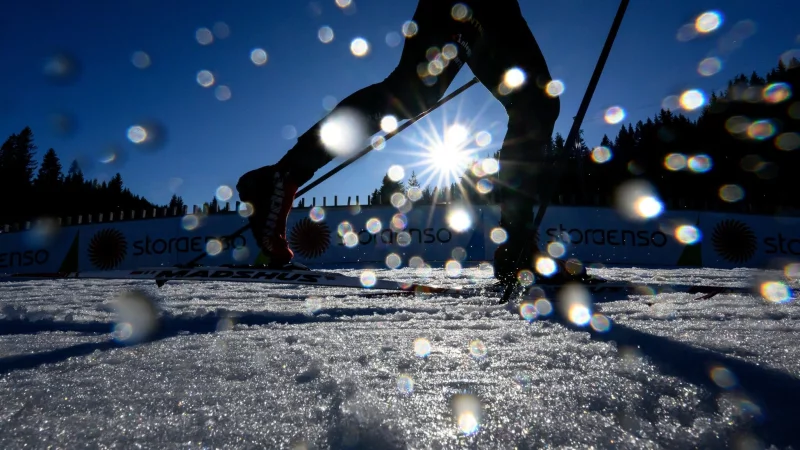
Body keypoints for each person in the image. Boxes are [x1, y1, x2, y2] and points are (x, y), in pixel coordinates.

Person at [237, 0, 577, 284]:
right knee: (412, 94)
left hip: (498, 9)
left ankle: (518, 248)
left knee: (537, 103)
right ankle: (282, 177)